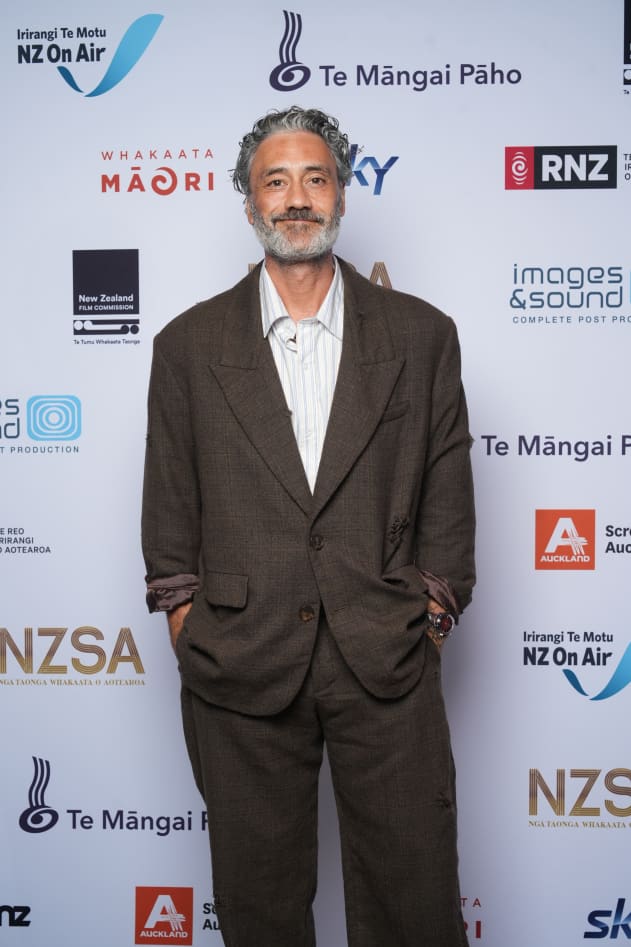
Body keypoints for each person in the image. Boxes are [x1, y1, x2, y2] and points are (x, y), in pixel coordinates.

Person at [142, 105, 475, 947]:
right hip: (240, 657)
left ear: (342, 194)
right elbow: (169, 503)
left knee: (414, 901)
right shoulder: (186, 344)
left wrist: (429, 614)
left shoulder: (422, 336)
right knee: (257, 911)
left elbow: (448, 489)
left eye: (314, 178)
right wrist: (187, 620)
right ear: (248, 202)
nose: (297, 199)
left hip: (384, 652)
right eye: (276, 181)